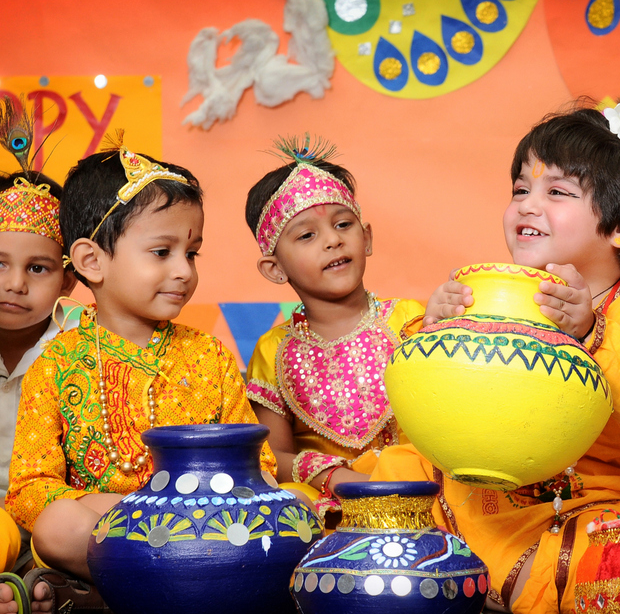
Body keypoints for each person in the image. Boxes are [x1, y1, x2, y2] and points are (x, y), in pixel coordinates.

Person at [372, 97, 620, 614]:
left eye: (556, 192)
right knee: (399, 470)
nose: (526, 204)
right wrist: (436, 329)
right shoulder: (508, 292)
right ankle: (501, 578)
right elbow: (456, 413)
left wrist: (593, 332)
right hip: (530, 486)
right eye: (520, 189)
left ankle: (494, 580)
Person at [2, 132, 275, 613]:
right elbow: (30, 488)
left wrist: (196, 510)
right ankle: (174, 590)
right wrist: (115, 508)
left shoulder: (208, 355)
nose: (184, 271)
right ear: (91, 261)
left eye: (191, 253)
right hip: (111, 530)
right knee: (56, 526)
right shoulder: (57, 363)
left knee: (291, 503)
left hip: (207, 527)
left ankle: (135, 592)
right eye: (161, 252)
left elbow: (262, 466)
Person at [243, 136, 423, 520]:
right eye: (307, 235)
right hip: (326, 499)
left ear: (367, 237)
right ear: (275, 269)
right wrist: (336, 477)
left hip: (414, 485)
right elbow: (273, 457)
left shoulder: (411, 320)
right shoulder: (273, 351)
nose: (333, 240)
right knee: (284, 501)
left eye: (343, 224)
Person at [0, 97, 78, 610]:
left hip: (54, 529)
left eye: (37, 269)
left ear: (71, 276)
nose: (13, 284)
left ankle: (35, 588)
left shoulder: (80, 352)